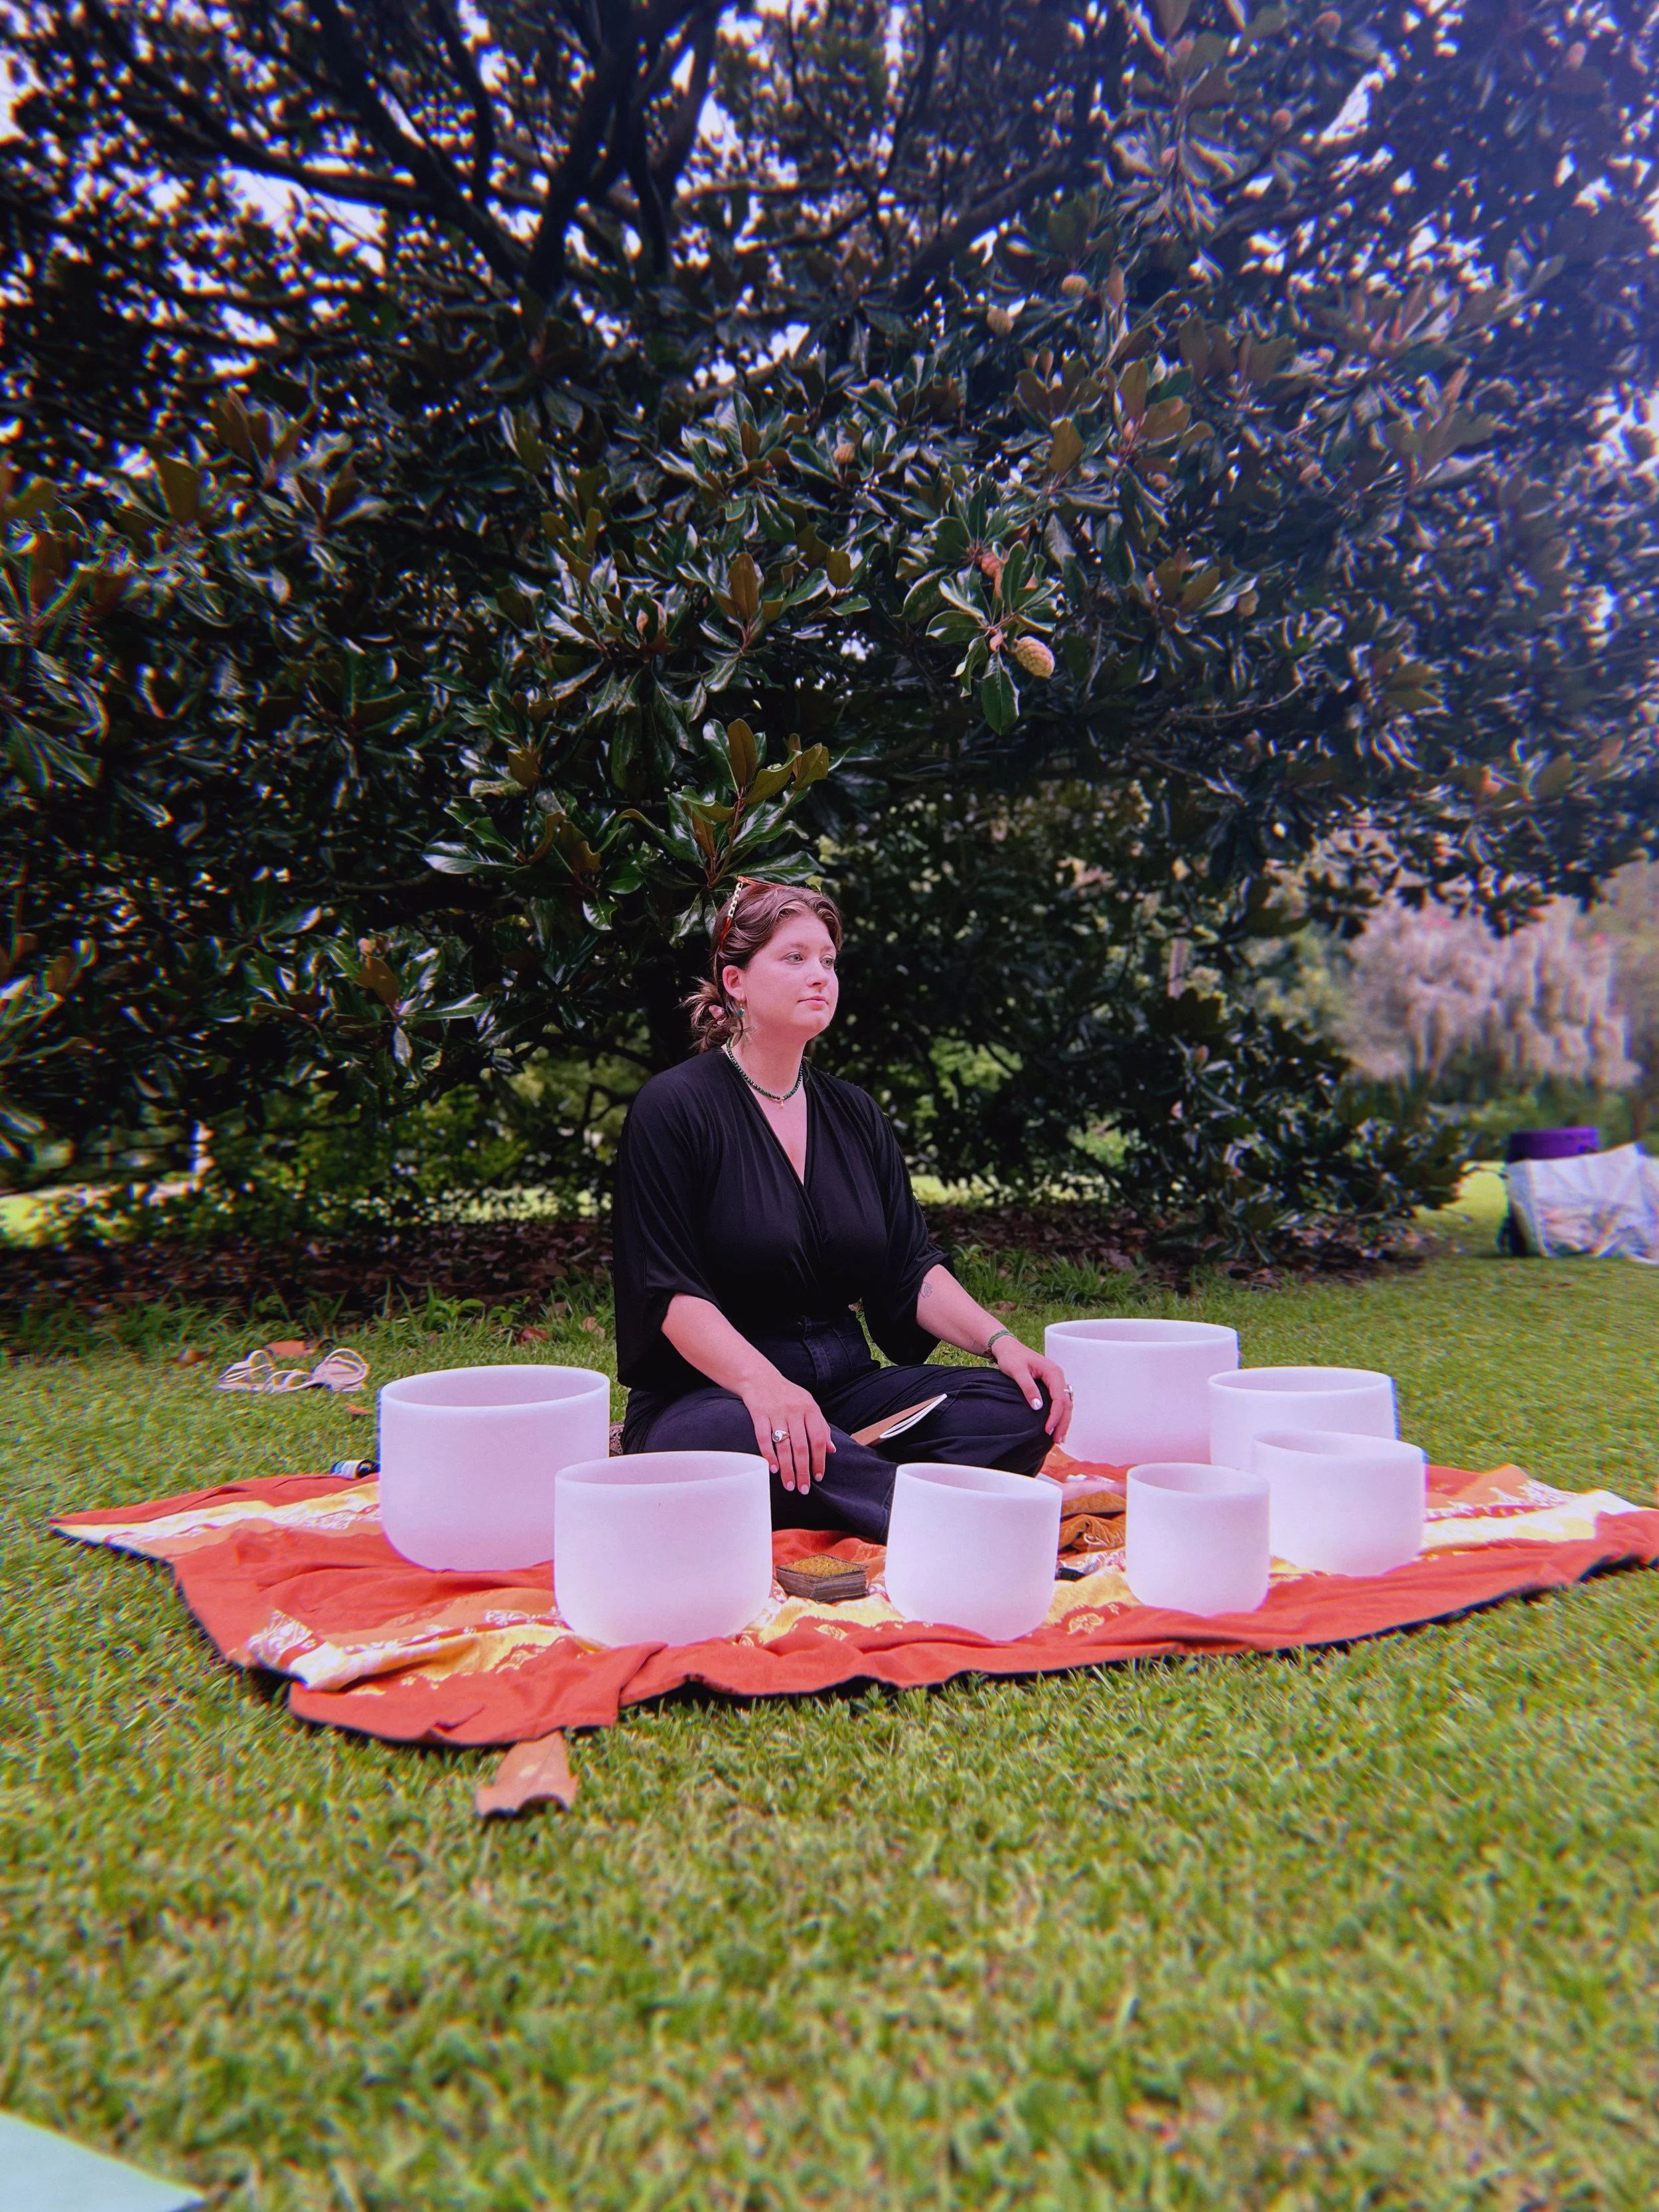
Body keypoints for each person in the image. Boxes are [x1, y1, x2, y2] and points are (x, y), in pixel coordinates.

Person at [613, 878, 1073, 1541]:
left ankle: (840, 1477)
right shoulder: (674, 1109)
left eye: (827, 960)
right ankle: (946, 1519)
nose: (818, 976)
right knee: (724, 1440)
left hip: (845, 1391)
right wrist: (763, 1386)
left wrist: (1003, 1344)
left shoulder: (855, 1114)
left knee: (1017, 1407)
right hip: (716, 1398)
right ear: (736, 982)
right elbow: (668, 1292)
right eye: (793, 957)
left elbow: (908, 1267)